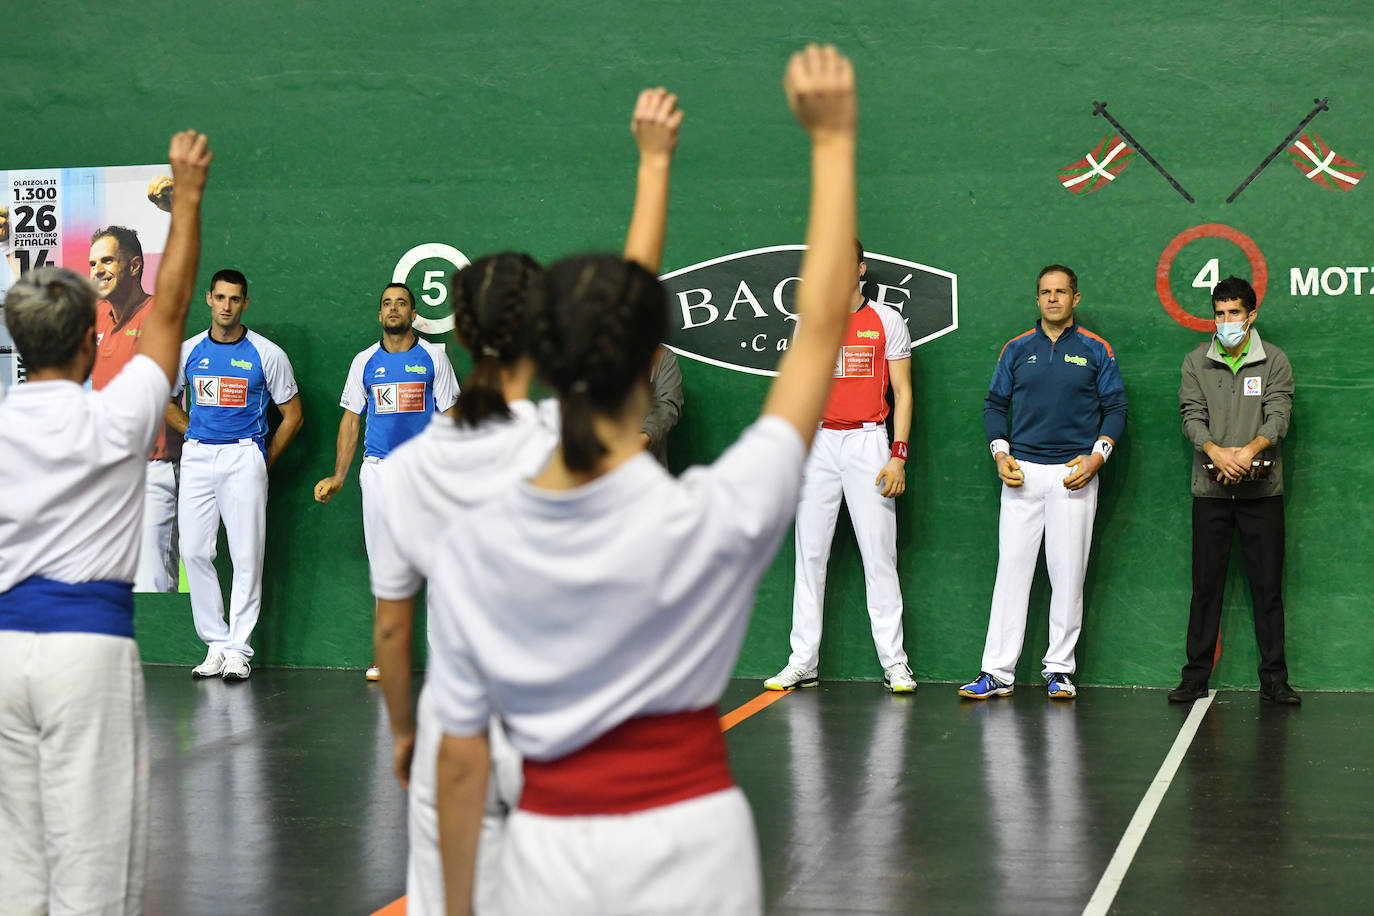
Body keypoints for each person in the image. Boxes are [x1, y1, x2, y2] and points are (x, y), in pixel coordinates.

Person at [426, 44, 857, 916]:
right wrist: (832, 140)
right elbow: (819, 332)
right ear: (646, 357)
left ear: (542, 361)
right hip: (696, 851)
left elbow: (462, 761)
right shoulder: (715, 516)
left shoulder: (471, 547)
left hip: (543, 857)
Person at [369, 87, 684, 916]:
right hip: (560, 728)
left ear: (459, 335)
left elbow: (394, 627)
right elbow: (626, 303)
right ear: (542, 334)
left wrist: (406, 730)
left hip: (451, 730)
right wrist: (654, 164)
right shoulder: (560, 441)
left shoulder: (403, 472)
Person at [0, 130, 212, 916]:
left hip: (2, 652)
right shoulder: (119, 418)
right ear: (93, 340)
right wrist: (186, 199)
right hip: (85, 656)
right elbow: (172, 310)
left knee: (15, 861)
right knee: (95, 859)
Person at [960, 265, 1127, 700]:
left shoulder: (1096, 350)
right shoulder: (1016, 350)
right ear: (1037, 300)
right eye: (1045, 292)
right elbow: (995, 404)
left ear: (1076, 298)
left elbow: (1116, 409)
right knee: (1010, 573)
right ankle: (996, 672)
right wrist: (1001, 453)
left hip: (1075, 475)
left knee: (1068, 576)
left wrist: (1097, 457)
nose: (1053, 299)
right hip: (1021, 475)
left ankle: (1059, 669)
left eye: (1061, 292)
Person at [765, 237, 916, 694]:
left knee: (879, 556)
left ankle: (895, 664)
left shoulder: (887, 320)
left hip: (869, 443)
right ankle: (802, 661)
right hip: (818, 445)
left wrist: (898, 455)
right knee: (809, 555)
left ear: (861, 269)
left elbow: (903, 393)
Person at [312, 282, 460, 681]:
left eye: (401, 304)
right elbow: (351, 419)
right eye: (387, 304)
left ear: (414, 314)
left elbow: (450, 417)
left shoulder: (432, 359)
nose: (394, 309)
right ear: (380, 315)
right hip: (376, 471)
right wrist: (340, 475)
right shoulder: (364, 362)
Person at [1169, 276, 1298, 704]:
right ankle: (1194, 677)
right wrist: (1216, 453)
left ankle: (1275, 679)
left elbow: (1278, 416)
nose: (1226, 321)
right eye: (1220, 314)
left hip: (1263, 495)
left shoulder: (1275, 360)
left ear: (1250, 315)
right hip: (1211, 492)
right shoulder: (1195, 363)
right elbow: (1192, 417)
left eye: (1234, 314)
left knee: (1267, 589)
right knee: (1206, 588)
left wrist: (1247, 452)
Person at [174, 269, 303, 680]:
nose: (227, 306)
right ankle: (215, 643)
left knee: (246, 556)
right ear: (208, 299)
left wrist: (264, 459)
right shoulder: (187, 351)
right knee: (194, 551)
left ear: (245, 303)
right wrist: (190, 428)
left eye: (236, 299)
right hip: (196, 457)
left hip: (244, 457)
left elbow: (293, 415)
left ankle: (238, 651)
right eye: (221, 297)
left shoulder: (268, 354)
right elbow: (163, 399)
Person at [89, 222, 185, 592]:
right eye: (93, 262)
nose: (98, 269)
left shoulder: (160, 313)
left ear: (135, 266)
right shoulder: (95, 314)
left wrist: (175, 210)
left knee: (153, 584)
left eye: (108, 260)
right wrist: (7, 246)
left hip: (154, 471)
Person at [641, 345, 683, 465]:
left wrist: (642, 439)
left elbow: (667, 405)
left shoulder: (662, 356)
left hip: (646, 463)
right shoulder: (596, 354)